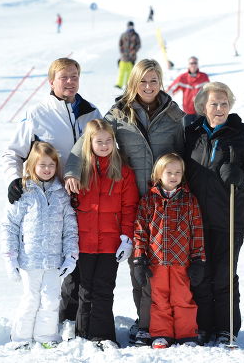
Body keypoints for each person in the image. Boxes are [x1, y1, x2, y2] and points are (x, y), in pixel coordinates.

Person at [64, 59, 185, 347]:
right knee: (137, 265)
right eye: (143, 81)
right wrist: (71, 172)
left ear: (161, 82)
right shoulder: (118, 114)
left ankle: (160, 324)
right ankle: (144, 325)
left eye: (154, 80)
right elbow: (88, 143)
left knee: (164, 266)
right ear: (133, 82)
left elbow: (184, 155)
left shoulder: (174, 115)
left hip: (163, 202)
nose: (148, 86)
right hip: (130, 201)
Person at [2, 57, 101, 335]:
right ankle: (53, 320)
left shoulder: (91, 112)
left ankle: (78, 319)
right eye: (64, 77)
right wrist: (13, 180)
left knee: (82, 258)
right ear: (52, 82)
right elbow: (13, 152)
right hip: (53, 199)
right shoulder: (37, 114)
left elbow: (104, 147)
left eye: (74, 76)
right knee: (57, 263)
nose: (70, 82)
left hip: (88, 197)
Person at [183, 82, 244, 347]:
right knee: (200, 274)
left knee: (223, 275)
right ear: (203, 106)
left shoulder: (242, 134)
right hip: (196, 220)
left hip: (230, 218)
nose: (219, 108)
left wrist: (241, 177)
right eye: (213, 104)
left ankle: (226, 328)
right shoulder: (192, 133)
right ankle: (203, 326)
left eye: (223, 103)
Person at [1, 141, 79, 350]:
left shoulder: (61, 194)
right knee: (30, 299)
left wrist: (71, 255)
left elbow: (70, 229)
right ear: (32, 166)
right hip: (29, 260)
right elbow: (10, 227)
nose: (47, 169)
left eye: (51, 165)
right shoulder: (23, 192)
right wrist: (10, 257)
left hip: (53, 260)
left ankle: (46, 336)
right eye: (42, 165)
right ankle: (20, 338)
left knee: (51, 300)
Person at [72, 119, 139, 349]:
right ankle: (82, 336)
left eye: (108, 141)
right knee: (85, 289)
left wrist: (126, 238)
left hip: (111, 243)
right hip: (84, 242)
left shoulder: (123, 172)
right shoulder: (79, 172)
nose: (104, 145)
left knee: (103, 288)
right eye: (98, 141)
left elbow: (130, 207)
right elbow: (69, 208)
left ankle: (103, 336)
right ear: (89, 143)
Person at [133, 153, 205, 349]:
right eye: (169, 172)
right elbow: (140, 231)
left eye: (178, 172)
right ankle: (162, 333)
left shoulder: (190, 200)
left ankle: (187, 334)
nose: (173, 176)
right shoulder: (149, 200)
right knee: (159, 300)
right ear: (159, 174)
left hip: (182, 261)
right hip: (157, 261)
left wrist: (199, 259)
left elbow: (197, 231)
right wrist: (139, 258)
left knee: (183, 299)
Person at [115, 21, 141, 89]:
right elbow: (120, 43)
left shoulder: (136, 35)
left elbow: (138, 45)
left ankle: (128, 86)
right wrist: (121, 51)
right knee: (121, 72)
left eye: (131, 26)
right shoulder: (124, 34)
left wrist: (134, 51)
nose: (130, 28)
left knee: (130, 73)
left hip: (131, 58)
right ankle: (119, 84)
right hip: (123, 57)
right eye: (129, 26)